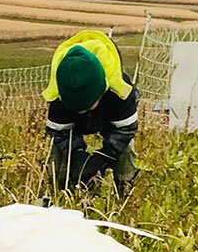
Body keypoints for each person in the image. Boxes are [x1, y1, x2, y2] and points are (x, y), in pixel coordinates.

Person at [43, 31, 140, 197]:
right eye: (75, 108)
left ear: (101, 92)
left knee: (126, 151)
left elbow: (126, 129)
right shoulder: (58, 95)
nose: (82, 111)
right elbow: (59, 132)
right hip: (73, 125)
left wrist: (102, 158)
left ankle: (125, 193)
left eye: (87, 107)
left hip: (110, 118)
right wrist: (78, 155)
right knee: (57, 152)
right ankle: (59, 194)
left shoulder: (120, 92)